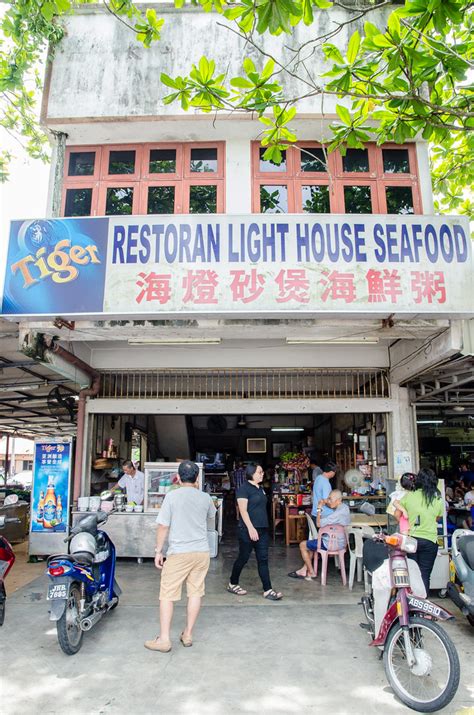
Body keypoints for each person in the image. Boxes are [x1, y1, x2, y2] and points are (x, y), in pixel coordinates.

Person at [145, 460, 216, 653]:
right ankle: (188, 634)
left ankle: (164, 639)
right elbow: (211, 517)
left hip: (179, 553)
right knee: (195, 592)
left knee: (167, 594)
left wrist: (158, 551)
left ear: (177, 477)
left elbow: (163, 526)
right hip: (201, 552)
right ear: (197, 477)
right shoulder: (205, 497)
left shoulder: (172, 497)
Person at [228, 463, 282, 600]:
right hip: (247, 530)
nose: (262, 474)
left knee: (263, 559)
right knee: (243, 558)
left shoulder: (260, 489)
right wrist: (251, 528)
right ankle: (232, 583)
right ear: (251, 473)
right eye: (260, 472)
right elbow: (243, 511)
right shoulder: (243, 489)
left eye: (262, 472)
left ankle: (268, 590)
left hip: (263, 529)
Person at [394, 467, 444, 594]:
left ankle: (411, 604)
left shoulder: (409, 496)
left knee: (412, 574)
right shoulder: (437, 498)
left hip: (411, 540)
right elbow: (437, 518)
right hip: (430, 541)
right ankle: (423, 602)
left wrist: (406, 514)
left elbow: (396, 514)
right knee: (425, 574)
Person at [288, 489, 350, 580]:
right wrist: (327, 501)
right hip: (342, 544)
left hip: (329, 544)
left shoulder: (335, 515)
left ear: (338, 500)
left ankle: (312, 572)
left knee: (303, 545)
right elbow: (332, 510)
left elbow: (318, 524)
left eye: (330, 499)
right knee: (313, 544)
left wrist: (319, 509)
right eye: (328, 498)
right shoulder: (344, 508)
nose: (328, 501)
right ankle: (304, 569)